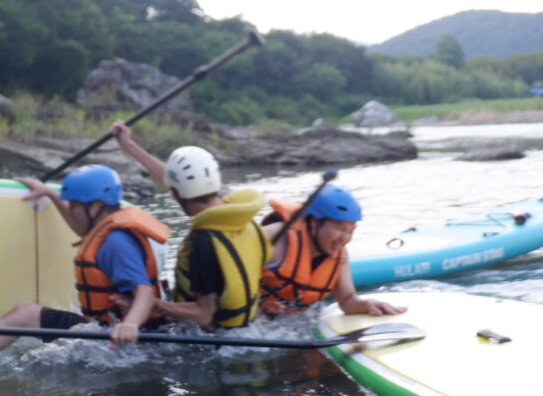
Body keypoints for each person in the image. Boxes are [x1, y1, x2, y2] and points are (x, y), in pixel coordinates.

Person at [0, 164, 171, 378]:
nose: (72, 211)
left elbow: (144, 292)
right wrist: (49, 193)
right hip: (101, 328)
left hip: (130, 342)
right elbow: (82, 228)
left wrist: (130, 325)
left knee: (27, 323)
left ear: (95, 206)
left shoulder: (116, 243)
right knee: (25, 313)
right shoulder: (101, 226)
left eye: (75, 206)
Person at [109, 120, 269, 332]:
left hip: (210, 343)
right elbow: (178, 184)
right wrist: (128, 145)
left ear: (174, 194)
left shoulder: (204, 242)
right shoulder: (239, 216)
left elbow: (204, 315)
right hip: (248, 328)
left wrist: (150, 303)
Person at [259, 184, 406, 317]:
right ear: (315, 222)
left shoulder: (339, 254)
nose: (345, 238)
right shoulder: (275, 239)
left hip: (286, 328)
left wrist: (368, 304)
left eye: (351, 231)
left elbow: (347, 301)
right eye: (339, 228)